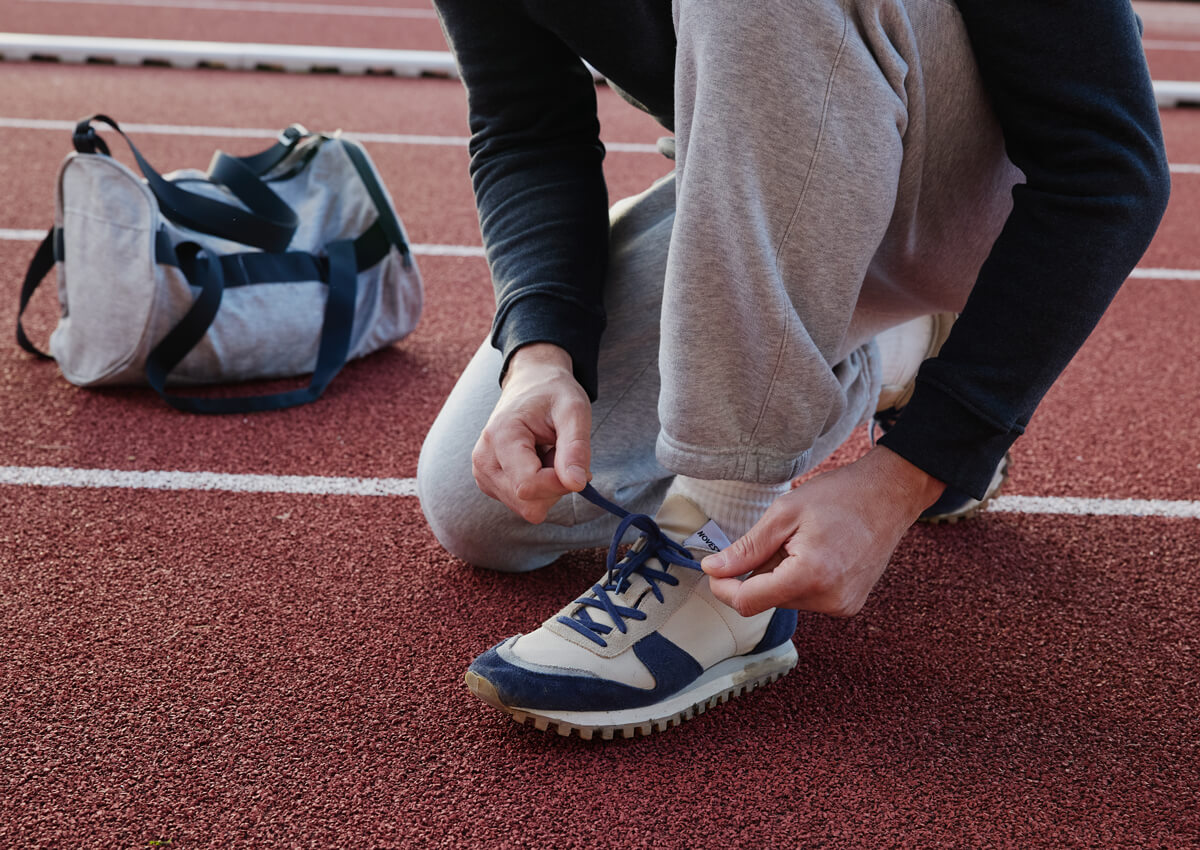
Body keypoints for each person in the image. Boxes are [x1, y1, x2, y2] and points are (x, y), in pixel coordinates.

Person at [418, 0, 1170, 738]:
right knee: (486, 505)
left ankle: (718, 536)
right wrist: (540, 356)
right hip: (787, 182)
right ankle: (897, 347)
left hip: (979, 203)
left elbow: (1110, 163)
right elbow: (527, 128)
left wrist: (911, 472)